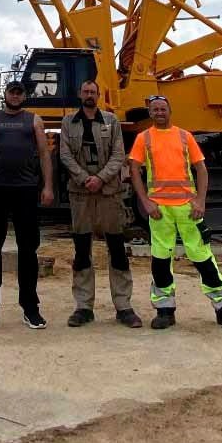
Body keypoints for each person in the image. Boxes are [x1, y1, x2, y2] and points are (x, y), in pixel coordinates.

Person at [129, 95, 222, 332]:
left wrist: (200, 200)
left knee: (203, 257)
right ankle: (165, 311)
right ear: (150, 113)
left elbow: (201, 169)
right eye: (155, 109)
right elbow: (134, 170)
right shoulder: (143, 138)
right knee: (160, 261)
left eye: (163, 108)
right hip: (159, 211)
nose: (159, 112)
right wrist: (145, 202)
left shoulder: (185, 136)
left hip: (188, 209)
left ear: (169, 111)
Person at [0, 79, 54, 330]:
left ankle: (30, 308)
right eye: (12, 92)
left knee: (28, 250)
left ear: (24, 96)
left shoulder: (34, 120)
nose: (15, 96)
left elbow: (44, 155)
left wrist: (47, 187)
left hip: (26, 190)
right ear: (5, 94)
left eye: (19, 93)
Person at [59, 78, 142, 328]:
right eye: (85, 91)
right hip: (81, 194)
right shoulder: (68, 122)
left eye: (93, 91)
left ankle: (123, 306)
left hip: (109, 193)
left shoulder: (111, 121)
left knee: (117, 248)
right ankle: (84, 307)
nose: (89, 95)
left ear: (98, 95)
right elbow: (64, 154)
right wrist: (85, 179)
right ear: (79, 94)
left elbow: (119, 154)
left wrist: (101, 178)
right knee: (82, 249)